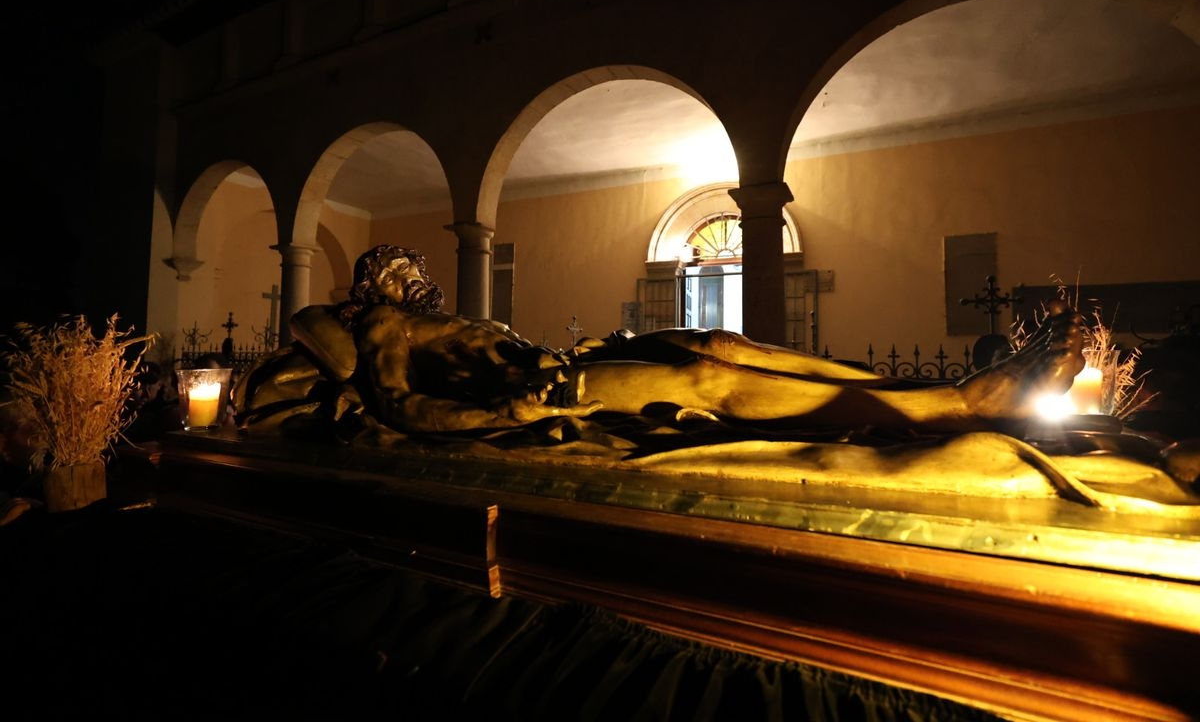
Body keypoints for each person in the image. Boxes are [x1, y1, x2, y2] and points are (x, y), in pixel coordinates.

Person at [235, 245, 1085, 440]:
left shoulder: (439, 315)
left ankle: (902, 389)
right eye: (402, 269)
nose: (419, 275)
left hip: (563, 357)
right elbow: (398, 405)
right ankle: (955, 403)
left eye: (416, 267)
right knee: (707, 378)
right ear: (375, 286)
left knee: (717, 336)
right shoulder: (381, 327)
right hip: (544, 393)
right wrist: (508, 411)